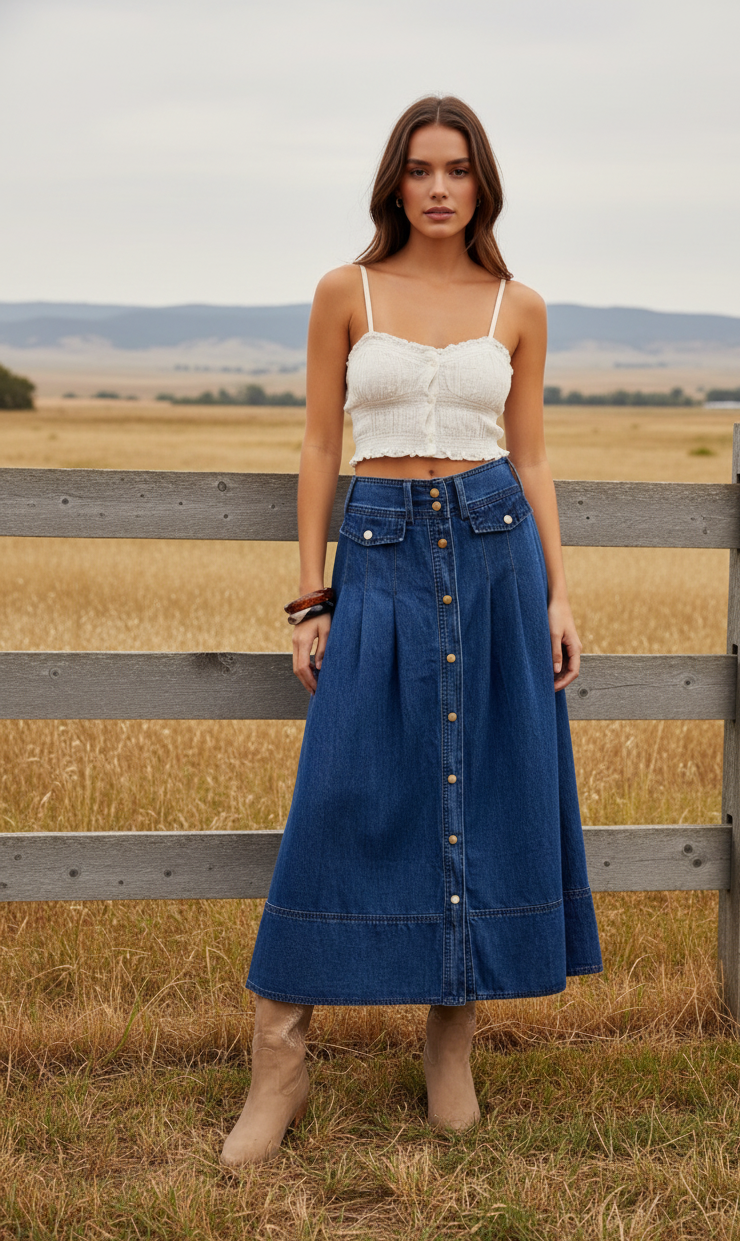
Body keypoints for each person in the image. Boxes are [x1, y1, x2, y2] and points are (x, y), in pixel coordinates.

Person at [220, 94, 603, 1167]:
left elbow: (531, 455)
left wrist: (557, 592)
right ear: (395, 181)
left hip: (493, 547)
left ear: (483, 185)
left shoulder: (518, 306)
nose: (440, 187)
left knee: (475, 786)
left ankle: (450, 1045)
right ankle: (279, 1059)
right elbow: (317, 443)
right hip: (380, 545)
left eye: (458, 169)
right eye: (422, 169)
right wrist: (311, 595)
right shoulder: (344, 290)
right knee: (339, 789)